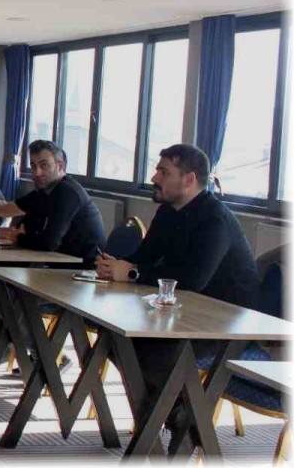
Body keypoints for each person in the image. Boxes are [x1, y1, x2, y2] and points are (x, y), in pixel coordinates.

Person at [96, 144, 261, 454]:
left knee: (152, 351)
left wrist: (131, 273)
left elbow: (192, 280)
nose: (154, 177)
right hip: (183, 315)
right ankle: (181, 417)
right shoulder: (168, 212)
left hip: (226, 326)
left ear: (189, 180)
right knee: (114, 340)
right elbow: (144, 257)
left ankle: (175, 423)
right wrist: (116, 265)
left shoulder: (215, 220)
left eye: (163, 172)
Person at [0, 140, 106, 265]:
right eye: (33, 166)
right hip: (59, 260)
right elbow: (7, 209)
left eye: (44, 165)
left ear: (60, 166)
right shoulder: (44, 191)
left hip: (83, 268)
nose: (37, 172)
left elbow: (49, 243)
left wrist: (19, 237)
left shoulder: (67, 192)